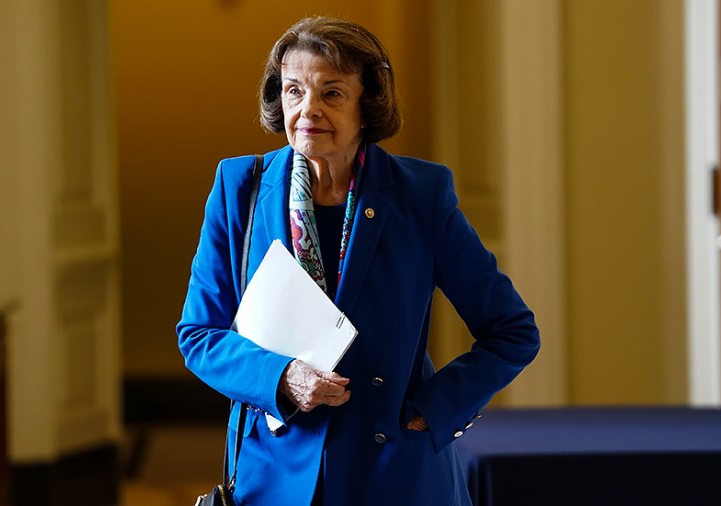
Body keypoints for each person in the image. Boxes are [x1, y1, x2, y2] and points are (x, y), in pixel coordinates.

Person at [177, 16, 539, 506]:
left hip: (397, 473)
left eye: (331, 93)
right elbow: (200, 335)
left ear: (367, 105)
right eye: (293, 91)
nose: (308, 110)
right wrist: (281, 378)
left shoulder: (421, 196)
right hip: (276, 472)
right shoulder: (238, 189)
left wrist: (435, 411)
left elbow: (513, 331)